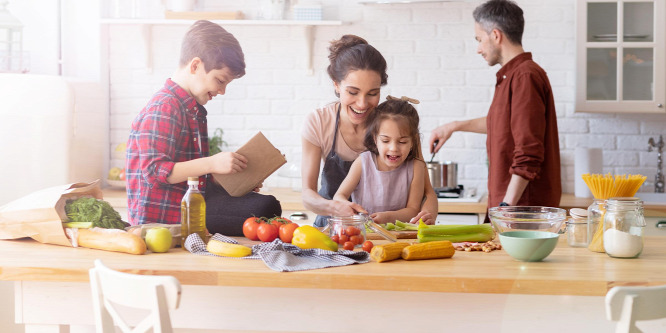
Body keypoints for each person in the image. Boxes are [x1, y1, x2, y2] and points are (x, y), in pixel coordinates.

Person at [126, 20, 281, 235]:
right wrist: (211, 163)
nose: (222, 91)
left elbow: (189, 173)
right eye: (220, 80)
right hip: (167, 217)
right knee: (265, 209)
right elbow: (154, 171)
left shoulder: (191, 108)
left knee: (265, 206)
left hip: (193, 203)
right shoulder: (164, 107)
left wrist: (222, 178)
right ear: (196, 65)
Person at [429, 0, 561, 220]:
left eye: (480, 39)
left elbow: (528, 153)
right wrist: (453, 127)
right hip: (513, 209)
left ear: (496, 36)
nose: (478, 48)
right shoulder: (514, 76)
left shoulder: (524, 76)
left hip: (521, 211)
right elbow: (501, 123)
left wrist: (505, 207)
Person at [301, 34, 438, 227]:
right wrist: (336, 207)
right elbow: (307, 195)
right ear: (336, 85)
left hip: (386, 231)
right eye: (353, 92)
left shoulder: (394, 125)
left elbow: (428, 192)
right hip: (332, 227)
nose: (362, 104)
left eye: (373, 93)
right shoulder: (319, 122)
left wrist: (427, 215)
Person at [333, 96, 427, 224]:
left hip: (399, 237)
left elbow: (413, 210)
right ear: (375, 138)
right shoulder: (363, 163)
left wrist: (388, 217)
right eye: (385, 141)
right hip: (364, 235)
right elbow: (339, 196)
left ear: (412, 141)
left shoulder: (416, 167)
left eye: (402, 141)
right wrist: (349, 208)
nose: (394, 148)